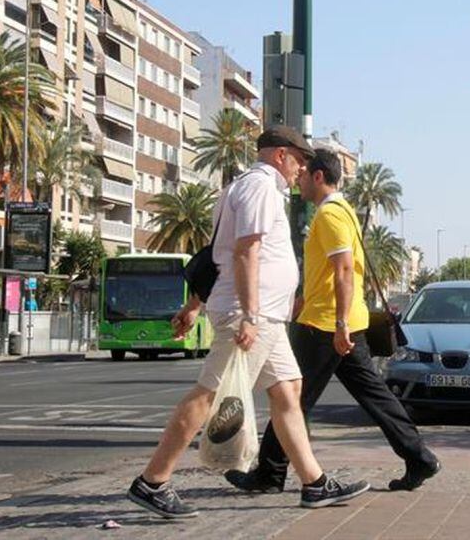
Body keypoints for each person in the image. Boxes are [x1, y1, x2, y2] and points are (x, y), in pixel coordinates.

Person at [127, 127, 369, 519]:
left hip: (265, 316)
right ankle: (152, 481)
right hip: (251, 315)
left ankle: (315, 483)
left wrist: (195, 304)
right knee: (208, 394)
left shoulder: (244, 188)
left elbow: (215, 253)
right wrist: (250, 314)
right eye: (299, 160)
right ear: (279, 155)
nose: (302, 169)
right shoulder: (258, 188)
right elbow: (243, 253)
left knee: (289, 391)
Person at [225, 148, 441, 496]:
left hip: (326, 326)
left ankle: (269, 473)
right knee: (372, 396)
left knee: (290, 399)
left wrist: (339, 324)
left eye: (303, 174)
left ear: (318, 177)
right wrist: (301, 301)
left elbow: (343, 269)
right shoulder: (343, 212)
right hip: (336, 320)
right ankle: (419, 458)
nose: (298, 180)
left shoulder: (330, 216)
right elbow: (330, 273)